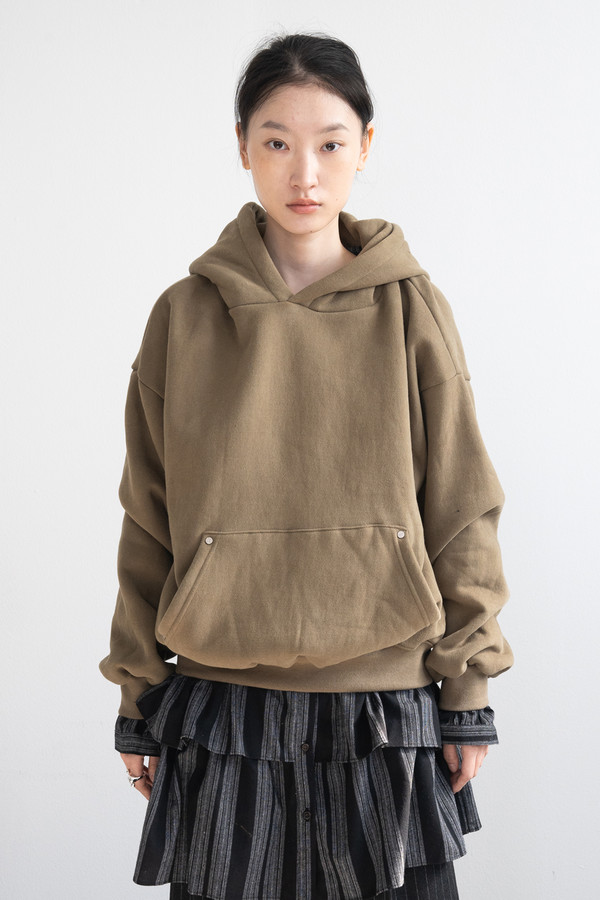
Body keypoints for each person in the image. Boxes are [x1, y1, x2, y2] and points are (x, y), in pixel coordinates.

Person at [99, 32, 513, 900]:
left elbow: (461, 504)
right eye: (277, 142)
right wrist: (139, 693)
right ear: (242, 147)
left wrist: (468, 684)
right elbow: (149, 518)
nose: (305, 174)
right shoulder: (182, 317)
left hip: (385, 709)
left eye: (329, 143)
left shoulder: (413, 309)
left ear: (366, 146)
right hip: (223, 711)